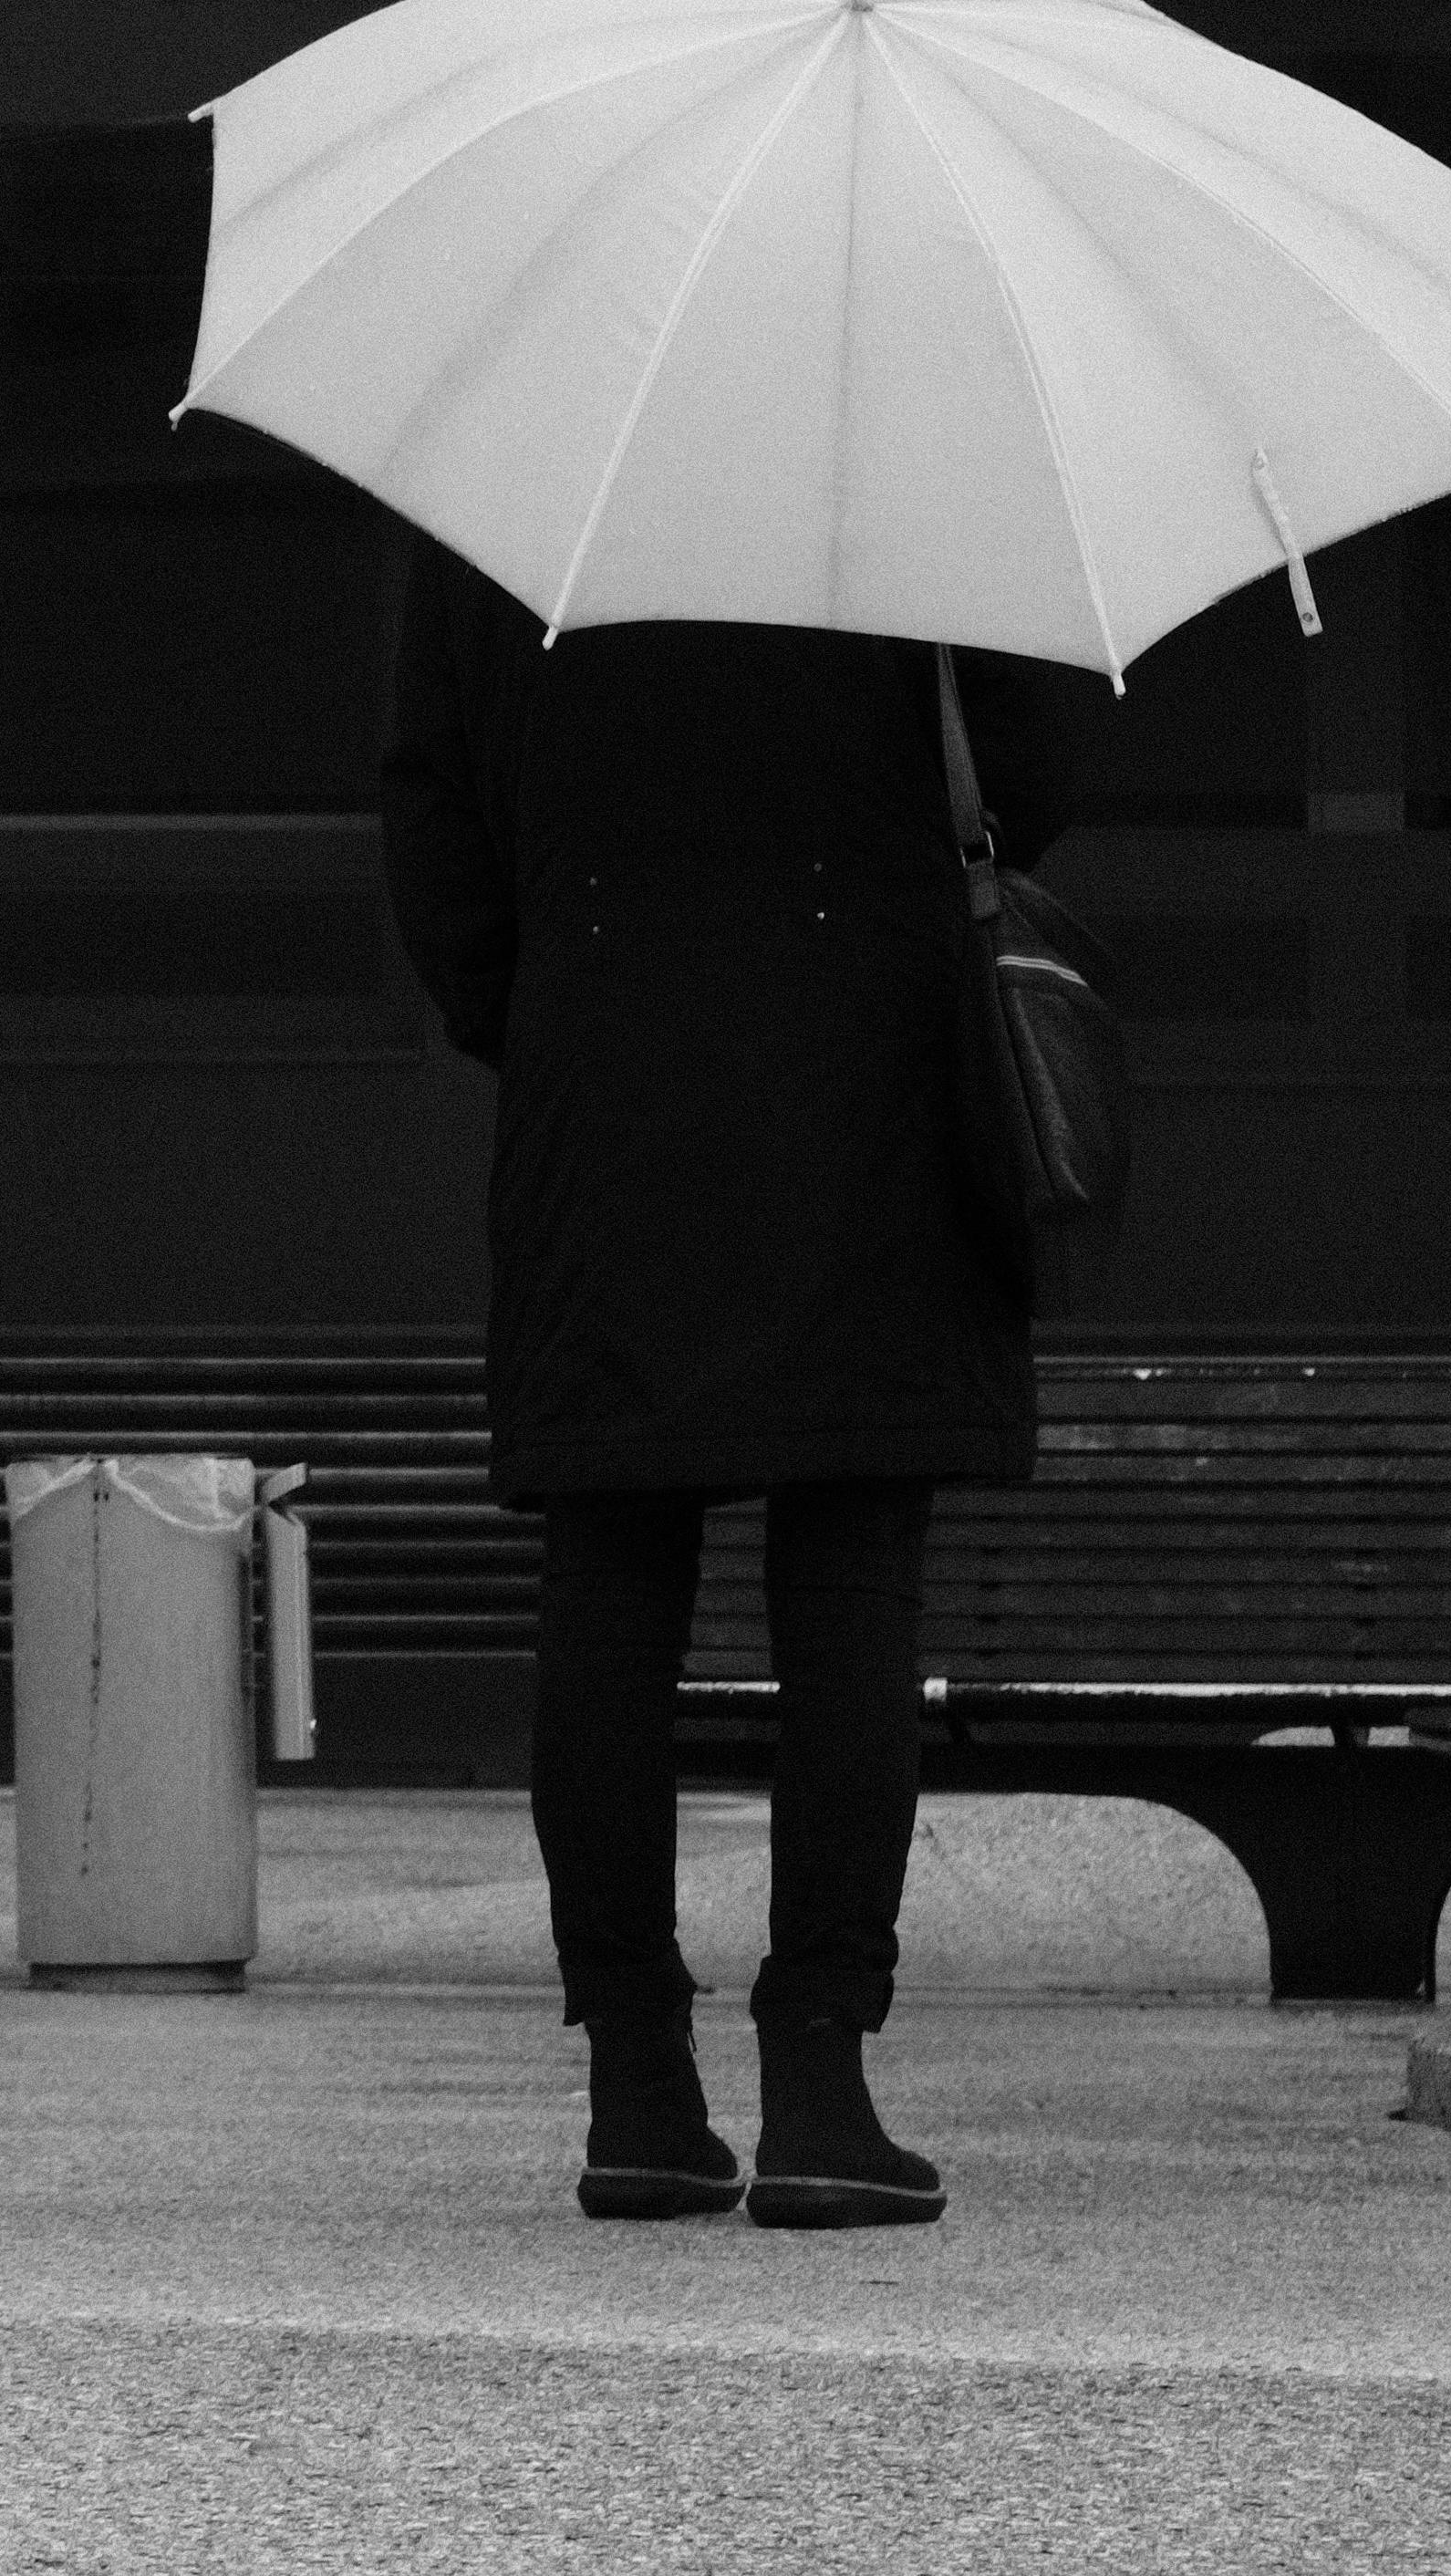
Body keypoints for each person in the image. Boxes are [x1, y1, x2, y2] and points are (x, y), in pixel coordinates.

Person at [375, 527, 1086, 2229]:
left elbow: (433, 820)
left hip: (605, 1078)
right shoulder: (917, 460)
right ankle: (824, 2082)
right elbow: (1036, 774)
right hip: (871, 1073)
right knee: (849, 1586)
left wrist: (557, 1002)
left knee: (612, 1572)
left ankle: (636, 2081)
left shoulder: (524, 477)